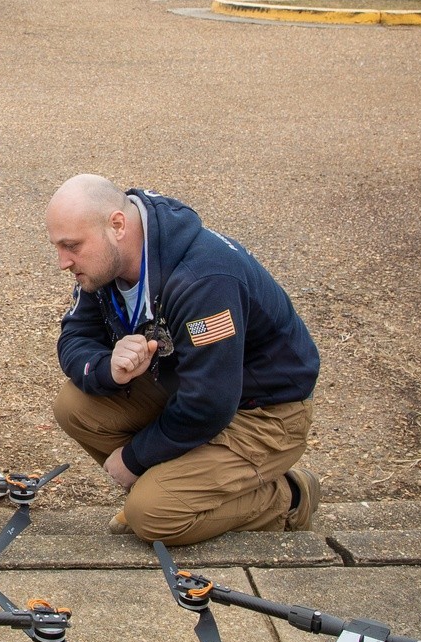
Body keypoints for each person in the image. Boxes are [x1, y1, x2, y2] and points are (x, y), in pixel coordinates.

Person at [45, 175, 320, 547]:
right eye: (58, 247)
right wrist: (106, 367)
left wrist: (135, 459)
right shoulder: (107, 262)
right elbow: (75, 335)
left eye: (72, 246)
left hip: (264, 412)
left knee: (153, 518)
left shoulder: (203, 280)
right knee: (74, 407)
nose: (63, 262)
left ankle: (290, 496)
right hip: (187, 386)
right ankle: (177, 487)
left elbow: (209, 402)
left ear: (117, 225)